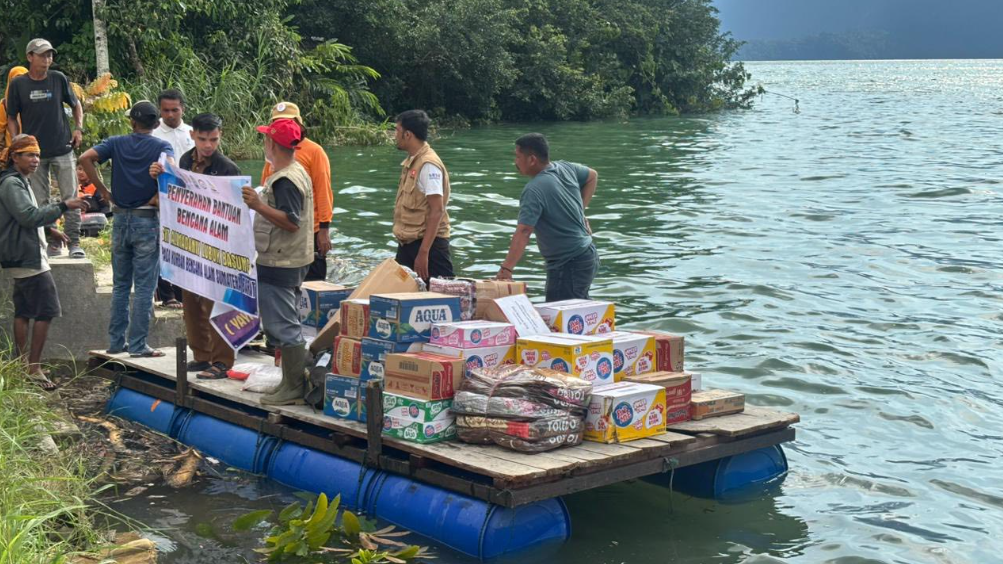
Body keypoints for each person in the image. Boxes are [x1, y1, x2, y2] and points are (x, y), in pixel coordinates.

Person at [78, 101, 173, 358]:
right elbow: (171, 175)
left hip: (120, 220)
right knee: (144, 287)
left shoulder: (116, 142)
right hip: (146, 220)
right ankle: (139, 345)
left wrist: (103, 191)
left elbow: (85, 158)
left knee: (121, 286)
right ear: (156, 124)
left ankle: (116, 343)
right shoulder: (162, 146)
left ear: (132, 122)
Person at [149, 113, 241, 379]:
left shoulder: (227, 168)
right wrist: (159, 175)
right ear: (193, 136)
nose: (208, 145)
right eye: (203, 139)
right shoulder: (185, 160)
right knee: (191, 301)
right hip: (190, 241)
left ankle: (223, 360)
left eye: (213, 139)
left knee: (216, 302)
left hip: (217, 244)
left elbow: (235, 213)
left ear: (220, 136)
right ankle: (202, 355)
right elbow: (175, 193)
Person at [0, 135, 87, 389]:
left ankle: (20, 364)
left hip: (24, 252)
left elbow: (22, 214)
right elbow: (27, 216)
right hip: (27, 256)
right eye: (29, 154)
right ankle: (34, 368)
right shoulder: (12, 184)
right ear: (14, 157)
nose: (36, 159)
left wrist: (50, 230)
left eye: (37, 154)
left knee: (24, 310)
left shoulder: (19, 181)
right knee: (47, 309)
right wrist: (64, 205)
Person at [242, 118, 314, 406]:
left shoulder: (285, 179)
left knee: (282, 325)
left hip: (281, 261)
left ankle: (294, 386)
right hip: (290, 258)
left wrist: (258, 205)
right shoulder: (294, 171)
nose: (264, 144)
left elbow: (292, 222)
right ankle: (289, 381)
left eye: (265, 139)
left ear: (272, 143)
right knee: (285, 321)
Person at [5, 38, 86, 258]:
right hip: (34, 155)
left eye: (50, 55)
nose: (47, 59)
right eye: (42, 55)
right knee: (40, 200)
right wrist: (17, 140)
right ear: (30, 57)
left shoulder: (57, 79)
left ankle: (75, 242)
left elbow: (76, 104)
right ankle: (52, 242)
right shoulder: (19, 84)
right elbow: (12, 116)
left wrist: (78, 128)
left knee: (71, 196)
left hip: (63, 147)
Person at [497, 133, 600, 301]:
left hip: (568, 262)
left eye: (517, 157)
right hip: (587, 255)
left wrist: (506, 269)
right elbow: (592, 176)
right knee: (576, 314)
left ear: (532, 159)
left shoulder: (533, 190)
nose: (515, 162)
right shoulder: (565, 167)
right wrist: (581, 212)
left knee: (561, 321)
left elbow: (524, 231)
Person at [260, 102, 332, 281]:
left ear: (298, 125)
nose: (283, 127)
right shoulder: (272, 155)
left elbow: (323, 190)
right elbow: (264, 187)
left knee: (311, 281)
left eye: (288, 122)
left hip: (309, 227)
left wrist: (324, 229)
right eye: (277, 123)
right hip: (278, 227)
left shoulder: (315, 151)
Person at [391, 109, 453, 281]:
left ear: (408, 134)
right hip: (408, 242)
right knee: (399, 294)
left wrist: (423, 253)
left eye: (397, 131)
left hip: (429, 246)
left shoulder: (428, 165)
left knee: (441, 297)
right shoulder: (413, 161)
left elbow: (437, 210)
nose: (394, 135)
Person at [151, 89, 193, 309]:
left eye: (174, 110)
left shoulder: (192, 133)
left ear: (182, 108)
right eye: (165, 110)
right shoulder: (153, 134)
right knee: (164, 246)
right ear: (160, 110)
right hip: (163, 200)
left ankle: (186, 293)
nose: (170, 115)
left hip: (190, 202)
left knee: (187, 247)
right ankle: (167, 295)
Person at [0, 66, 28, 152]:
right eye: (15, 80)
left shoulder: (34, 100)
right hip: (12, 152)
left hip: (33, 149)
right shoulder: (4, 104)